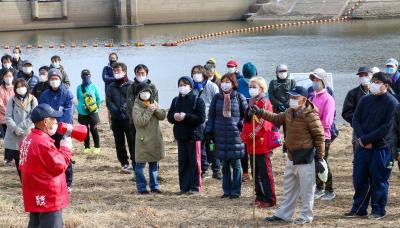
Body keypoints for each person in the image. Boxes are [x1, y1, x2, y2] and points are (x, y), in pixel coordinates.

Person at [252, 86, 325, 225]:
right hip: (292, 156)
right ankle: (284, 214)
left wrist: (320, 158)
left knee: (307, 189)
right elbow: (275, 118)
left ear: (303, 99)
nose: (291, 99)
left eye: (295, 97)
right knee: (289, 187)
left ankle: (305, 216)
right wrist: (260, 112)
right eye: (291, 97)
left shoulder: (311, 115)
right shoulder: (289, 112)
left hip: (306, 157)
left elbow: (320, 137)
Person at [345, 72, 398, 220]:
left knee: (379, 180)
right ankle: (359, 209)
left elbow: (387, 127)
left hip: (381, 148)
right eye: (373, 80)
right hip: (362, 147)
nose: (373, 83)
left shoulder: (392, 103)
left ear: (385, 86)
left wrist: (369, 139)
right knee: (359, 178)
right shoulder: (365, 99)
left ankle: (378, 210)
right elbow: (356, 118)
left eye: (377, 81)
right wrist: (362, 138)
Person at [19, 104, 73, 228]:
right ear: (45, 122)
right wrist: (65, 148)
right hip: (49, 195)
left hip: (35, 193)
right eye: (53, 119)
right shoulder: (43, 143)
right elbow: (59, 166)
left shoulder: (27, 140)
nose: (56, 122)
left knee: (36, 224)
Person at [205, 73, 247, 199]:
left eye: (228, 81)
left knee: (236, 164)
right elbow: (211, 116)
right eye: (223, 81)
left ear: (233, 84)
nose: (225, 83)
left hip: (235, 136)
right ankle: (227, 190)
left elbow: (246, 116)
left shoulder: (240, 97)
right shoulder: (217, 98)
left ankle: (236, 191)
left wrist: (239, 125)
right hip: (220, 135)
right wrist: (209, 131)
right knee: (225, 165)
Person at [240, 76, 276, 208]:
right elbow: (247, 121)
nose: (251, 89)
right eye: (250, 87)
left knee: (265, 172)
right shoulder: (251, 102)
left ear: (261, 88)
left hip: (261, 142)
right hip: (251, 143)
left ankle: (270, 198)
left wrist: (252, 135)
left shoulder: (265, 102)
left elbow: (263, 122)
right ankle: (259, 196)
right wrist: (244, 135)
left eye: (254, 87)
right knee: (255, 172)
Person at [167, 76, 205, 194]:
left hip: (194, 136)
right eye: (181, 84)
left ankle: (195, 187)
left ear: (190, 86)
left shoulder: (197, 100)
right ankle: (184, 187)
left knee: (194, 162)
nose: (182, 87)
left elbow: (201, 118)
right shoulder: (175, 100)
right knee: (183, 163)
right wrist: (174, 117)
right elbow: (169, 117)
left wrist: (186, 116)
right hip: (181, 136)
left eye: (185, 84)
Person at [39, 68, 74, 191]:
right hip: (48, 129)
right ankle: (53, 179)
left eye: (56, 79)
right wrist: (49, 126)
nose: (54, 81)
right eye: (52, 79)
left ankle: (68, 182)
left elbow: (68, 112)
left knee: (64, 154)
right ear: (49, 80)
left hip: (63, 128)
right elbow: (42, 111)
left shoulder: (67, 94)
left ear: (60, 79)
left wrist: (58, 126)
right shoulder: (44, 95)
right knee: (50, 155)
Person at [132, 83, 166, 194]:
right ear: (139, 94)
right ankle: (142, 188)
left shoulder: (153, 102)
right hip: (143, 140)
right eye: (142, 92)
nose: (145, 94)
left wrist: (155, 109)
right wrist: (149, 110)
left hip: (155, 139)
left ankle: (154, 187)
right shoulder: (136, 106)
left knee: (154, 164)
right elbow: (140, 122)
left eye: (147, 92)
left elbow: (162, 116)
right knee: (140, 165)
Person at [308, 68, 336, 201]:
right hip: (312, 135)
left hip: (323, 136)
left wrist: (315, 129)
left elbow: (327, 122)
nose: (314, 82)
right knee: (315, 163)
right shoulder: (312, 96)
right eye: (313, 80)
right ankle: (320, 188)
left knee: (322, 163)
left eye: (316, 80)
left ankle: (330, 190)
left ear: (323, 81)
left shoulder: (328, 99)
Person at [191, 65, 220, 180]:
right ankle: (204, 169)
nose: (196, 74)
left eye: (198, 72)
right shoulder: (191, 87)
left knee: (212, 146)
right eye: (194, 73)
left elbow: (217, 104)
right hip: (197, 122)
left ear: (203, 74)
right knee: (200, 147)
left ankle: (216, 169)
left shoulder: (212, 86)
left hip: (210, 121)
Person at [4, 78, 38, 179]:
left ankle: (31, 179)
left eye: (22, 86)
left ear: (26, 87)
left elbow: (33, 116)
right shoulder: (12, 100)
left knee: (30, 159)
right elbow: (8, 116)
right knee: (18, 160)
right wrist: (14, 128)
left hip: (28, 133)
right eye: (18, 87)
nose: (20, 89)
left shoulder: (33, 99)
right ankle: (23, 180)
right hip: (15, 135)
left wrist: (20, 127)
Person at [106, 62, 135, 173]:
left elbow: (133, 99)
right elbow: (109, 102)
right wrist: (116, 111)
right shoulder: (111, 87)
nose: (116, 73)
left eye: (118, 70)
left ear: (124, 71)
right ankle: (124, 163)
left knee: (132, 141)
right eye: (114, 71)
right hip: (116, 119)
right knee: (119, 142)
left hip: (129, 119)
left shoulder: (131, 85)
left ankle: (135, 162)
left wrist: (125, 108)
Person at [342, 66, 371, 154]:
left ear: (371, 75)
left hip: (374, 128)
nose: (363, 77)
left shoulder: (377, 92)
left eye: (365, 74)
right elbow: (346, 112)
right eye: (361, 75)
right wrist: (357, 122)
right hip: (358, 129)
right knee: (358, 154)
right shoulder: (352, 93)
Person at [268, 64, 296, 155]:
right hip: (276, 110)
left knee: (288, 131)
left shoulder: (292, 82)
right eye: (280, 71)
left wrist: (287, 103)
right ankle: (271, 148)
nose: (283, 73)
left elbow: (294, 94)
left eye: (284, 71)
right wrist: (279, 103)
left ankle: (286, 149)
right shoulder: (273, 82)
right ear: (276, 73)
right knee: (273, 129)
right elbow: (270, 95)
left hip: (289, 110)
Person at [237, 62, 258, 182]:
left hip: (253, 121)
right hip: (244, 121)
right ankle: (246, 172)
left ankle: (250, 172)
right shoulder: (239, 84)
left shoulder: (258, 83)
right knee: (246, 148)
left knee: (251, 149)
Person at [76, 69, 101, 154]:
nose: (86, 77)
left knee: (94, 129)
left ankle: (97, 146)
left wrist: (97, 107)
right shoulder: (79, 87)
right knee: (85, 130)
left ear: (90, 76)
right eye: (84, 75)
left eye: (87, 75)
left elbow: (98, 98)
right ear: (81, 77)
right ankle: (87, 147)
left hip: (92, 112)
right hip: (82, 112)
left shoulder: (94, 86)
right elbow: (79, 98)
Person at [0, 70, 15, 164]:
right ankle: (8, 158)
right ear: (3, 77)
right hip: (4, 118)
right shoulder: (0, 89)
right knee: (7, 137)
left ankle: (18, 156)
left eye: (10, 76)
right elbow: (0, 104)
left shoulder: (16, 87)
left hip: (16, 117)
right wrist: (9, 113)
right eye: (6, 76)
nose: (8, 78)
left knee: (17, 137)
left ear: (13, 77)